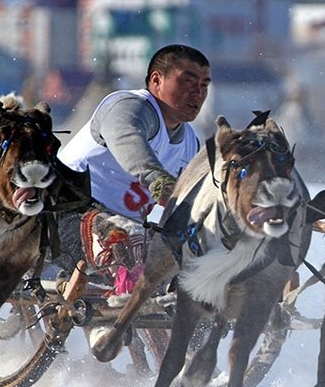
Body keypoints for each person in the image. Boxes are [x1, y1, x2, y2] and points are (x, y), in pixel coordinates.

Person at [56, 44, 211, 298]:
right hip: (67, 215)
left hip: (130, 233)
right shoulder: (130, 107)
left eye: (205, 85)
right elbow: (128, 139)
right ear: (156, 80)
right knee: (128, 242)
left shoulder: (190, 142)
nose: (198, 92)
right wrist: (159, 182)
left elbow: (194, 206)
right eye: (188, 81)